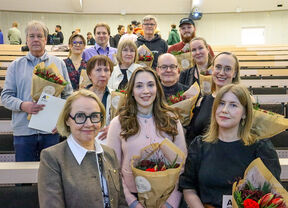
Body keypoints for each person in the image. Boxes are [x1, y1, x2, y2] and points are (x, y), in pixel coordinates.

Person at [179, 84, 281, 208]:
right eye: (221, 103)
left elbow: (271, 194)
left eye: (233, 105)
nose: (224, 110)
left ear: (244, 113)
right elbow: (189, 187)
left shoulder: (261, 148)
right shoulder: (199, 145)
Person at [107, 67, 187, 208]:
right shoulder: (117, 123)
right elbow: (113, 170)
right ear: (131, 91)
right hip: (131, 199)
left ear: (157, 88)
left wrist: (170, 203)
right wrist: (132, 203)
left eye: (150, 85)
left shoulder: (172, 120)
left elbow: (183, 167)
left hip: (167, 198)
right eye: (139, 86)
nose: (146, 91)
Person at [38, 89, 128, 208]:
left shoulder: (109, 154)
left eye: (94, 116)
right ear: (67, 120)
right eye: (80, 116)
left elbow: (121, 202)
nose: (89, 123)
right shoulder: (52, 158)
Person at [1, 20, 73, 162]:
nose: (35, 39)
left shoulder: (58, 64)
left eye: (39, 36)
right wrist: (23, 105)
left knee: (52, 178)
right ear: (26, 39)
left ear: (46, 39)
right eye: (31, 36)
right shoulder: (15, 66)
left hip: (51, 131)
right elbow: (5, 97)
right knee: (23, 179)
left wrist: (61, 122)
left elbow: (68, 96)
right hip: (23, 132)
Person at [185, 51, 240, 145]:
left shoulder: (243, 101)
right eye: (218, 67)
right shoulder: (201, 101)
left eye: (228, 69)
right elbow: (192, 136)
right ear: (212, 70)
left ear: (234, 73)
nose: (222, 73)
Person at [86, 55, 113, 126]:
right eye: (98, 70)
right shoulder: (79, 96)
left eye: (106, 70)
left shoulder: (116, 96)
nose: (103, 74)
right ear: (89, 74)